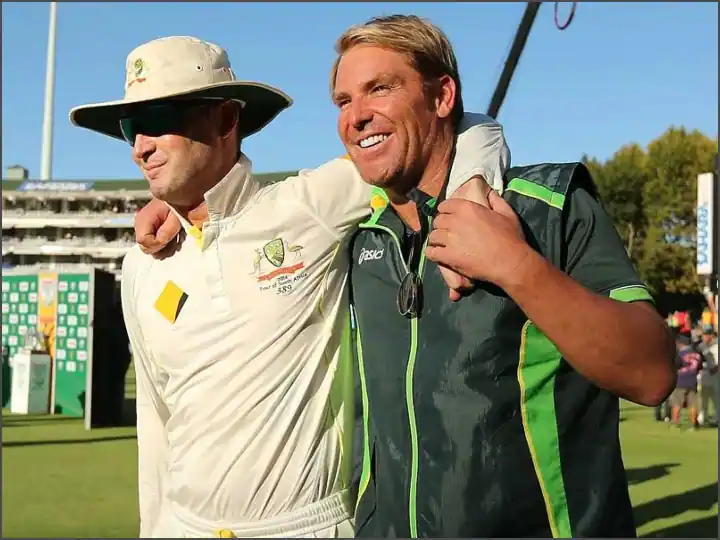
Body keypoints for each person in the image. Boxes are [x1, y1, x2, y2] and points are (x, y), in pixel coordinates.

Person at [71, 35, 510, 538]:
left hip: (308, 527)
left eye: (157, 121)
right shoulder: (143, 264)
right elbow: (155, 423)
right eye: (131, 129)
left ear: (226, 119)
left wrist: (473, 185)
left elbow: (460, 130)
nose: (140, 147)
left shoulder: (311, 205)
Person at [337, 15, 677, 538]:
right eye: (342, 101)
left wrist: (516, 265)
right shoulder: (359, 236)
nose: (356, 115)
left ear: (442, 95)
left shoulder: (551, 205)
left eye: (379, 88)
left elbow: (651, 373)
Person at [696, 327, 718, 426]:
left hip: (715, 376)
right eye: (703, 335)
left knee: (716, 398)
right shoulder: (700, 346)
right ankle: (702, 417)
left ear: (711, 335)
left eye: (706, 335)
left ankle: (717, 418)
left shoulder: (716, 346)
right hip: (703, 375)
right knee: (703, 398)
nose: (704, 337)